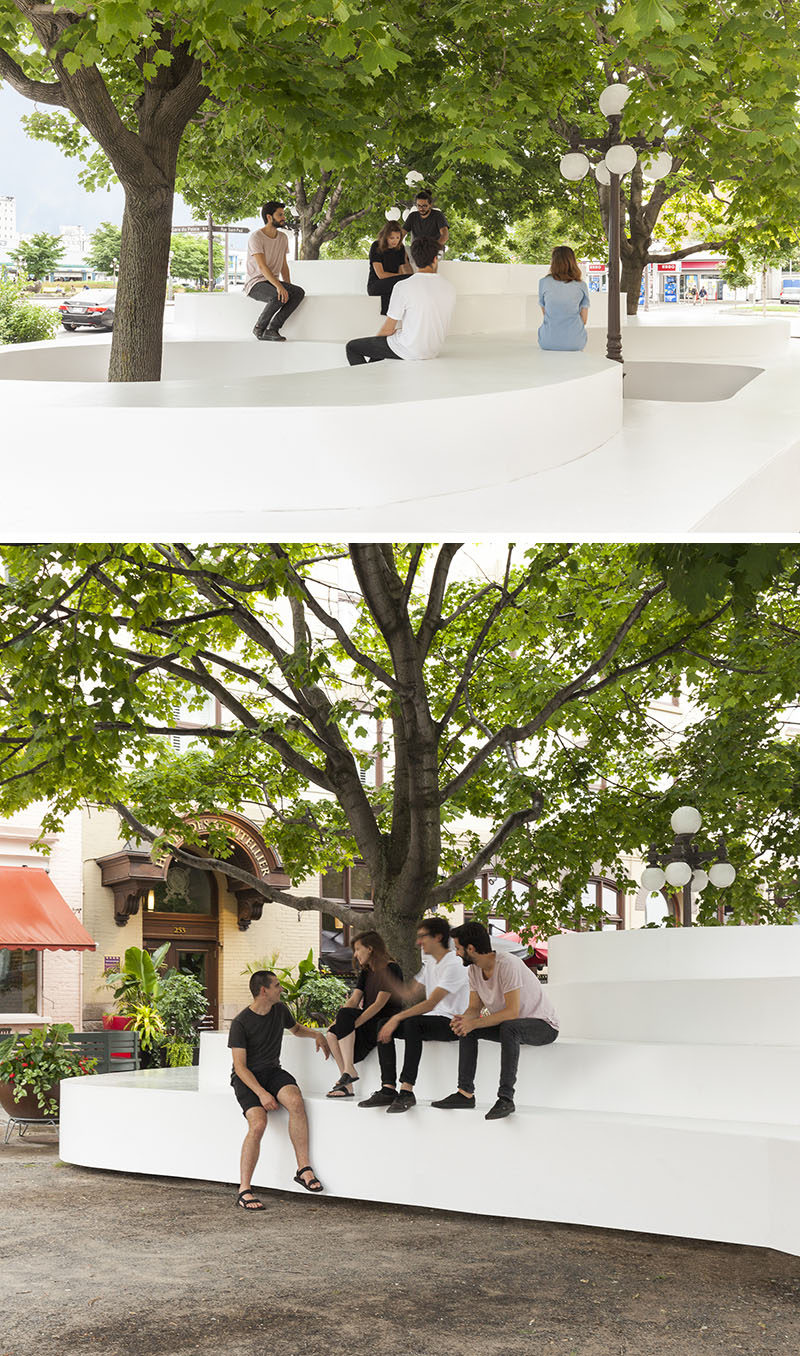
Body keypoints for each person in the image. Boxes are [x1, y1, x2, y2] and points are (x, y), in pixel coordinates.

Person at [432, 920, 559, 1121]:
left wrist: (474, 1022)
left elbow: (511, 1012)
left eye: (458, 948)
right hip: (511, 1024)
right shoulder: (473, 970)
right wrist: (463, 1020)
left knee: (509, 1027)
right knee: (469, 1029)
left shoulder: (507, 964)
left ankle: (506, 1098)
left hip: (542, 1025)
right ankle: (465, 1094)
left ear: (471, 948)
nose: (456, 953)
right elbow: (474, 1008)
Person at [229, 969, 330, 1210]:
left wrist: (317, 1034)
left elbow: (295, 1029)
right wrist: (262, 1094)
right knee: (258, 1123)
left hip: (273, 1072)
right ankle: (244, 1189)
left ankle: (303, 1169)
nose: (281, 989)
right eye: (277, 985)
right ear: (264, 991)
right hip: (247, 1078)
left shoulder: (280, 1010)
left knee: (295, 1101)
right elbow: (240, 1067)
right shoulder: (241, 1023)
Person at [358, 915, 469, 1111]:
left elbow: (431, 1002)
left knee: (411, 1023)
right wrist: (384, 968)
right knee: (382, 1024)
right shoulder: (431, 965)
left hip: (453, 1023)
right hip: (432, 1020)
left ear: (437, 937)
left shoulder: (453, 964)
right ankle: (388, 1089)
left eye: (423, 936)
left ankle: (407, 1091)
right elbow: (407, 993)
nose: (418, 942)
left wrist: (397, 1017)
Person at [345, 238, 456, 366]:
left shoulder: (403, 286)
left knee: (352, 347)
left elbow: (387, 329)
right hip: (432, 351)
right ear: (435, 259)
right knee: (384, 343)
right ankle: (372, 372)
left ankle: (367, 377)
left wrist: (375, 348)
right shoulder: (450, 287)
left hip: (408, 350)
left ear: (414, 260)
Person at [326, 931, 403, 1098]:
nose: (355, 954)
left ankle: (349, 1072)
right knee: (331, 1034)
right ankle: (347, 1080)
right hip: (368, 1021)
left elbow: (378, 1005)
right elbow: (353, 1000)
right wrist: (338, 1022)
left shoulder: (391, 968)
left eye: (357, 949)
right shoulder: (367, 972)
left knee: (344, 1020)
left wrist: (352, 1025)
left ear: (370, 948)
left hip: (384, 1021)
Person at [244, 201, 305, 341]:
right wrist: (280, 287)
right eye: (280, 215)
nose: (283, 217)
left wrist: (288, 287)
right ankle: (259, 328)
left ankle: (273, 329)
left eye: (283, 214)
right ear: (269, 217)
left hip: (272, 281)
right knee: (277, 296)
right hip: (256, 283)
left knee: (298, 292)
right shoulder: (256, 237)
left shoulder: (283, 238)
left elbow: (283, 265)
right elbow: (262, 267)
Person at [537, 246, 590, 352]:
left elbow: (546, 313)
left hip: (547, 342)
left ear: (553, 262)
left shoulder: (543, 282)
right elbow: (584, 320)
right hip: (576, 343)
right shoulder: (581, 285)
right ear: (573, 262)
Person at [368, 221, 412, 315]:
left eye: (398, 237)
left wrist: (401, 277)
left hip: (392, 284)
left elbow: (401, 270)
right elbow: (381, 275)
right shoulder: (376, 246)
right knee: (407, 279)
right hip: (376, 285)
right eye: (392, 238)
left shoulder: (400, 248)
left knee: (410, 279)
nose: (395, 241)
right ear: (385, 237)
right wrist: (400, 277)